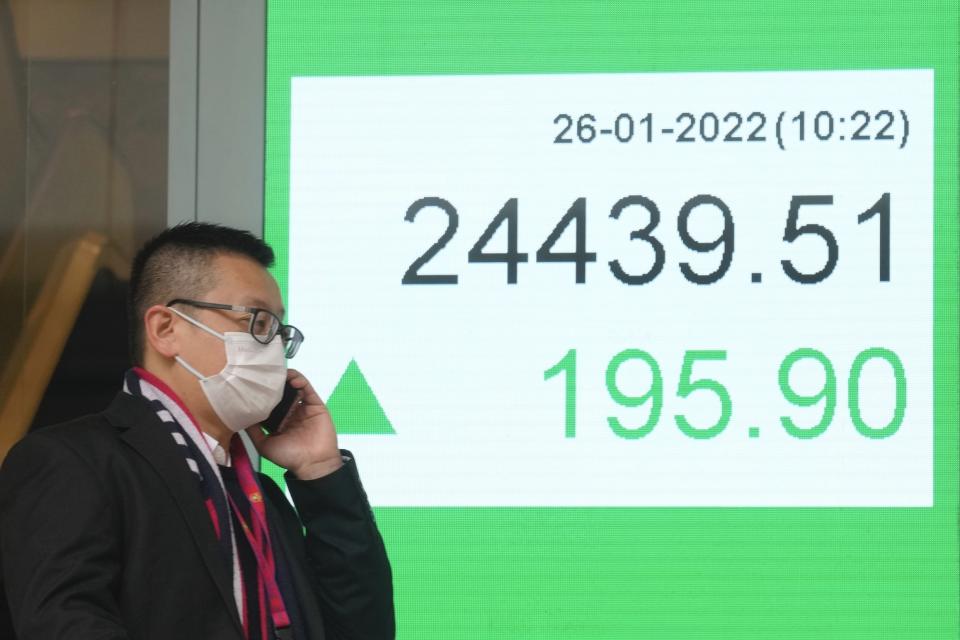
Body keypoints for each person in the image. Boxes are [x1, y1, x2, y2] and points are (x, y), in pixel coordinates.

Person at [0, 223, 394, 639]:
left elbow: (363, 629)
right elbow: (65, 625)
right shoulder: (73, 463)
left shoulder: (261, 497)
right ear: (166, 330)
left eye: (279, 331)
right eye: (257, 322)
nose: (274, 347)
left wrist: (320, 470)